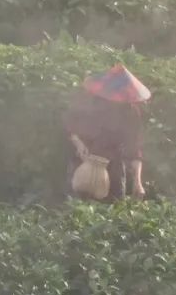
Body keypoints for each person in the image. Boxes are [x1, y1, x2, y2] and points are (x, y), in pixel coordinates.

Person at [62, 64, 150, 201]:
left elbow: (134, 149)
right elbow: (70, 124)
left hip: (113, 167)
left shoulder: (131, 112)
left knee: (112, 210)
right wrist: (78, 143)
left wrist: (138, 182)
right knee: (76, 208)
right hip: (83, 162)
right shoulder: (89, 101)